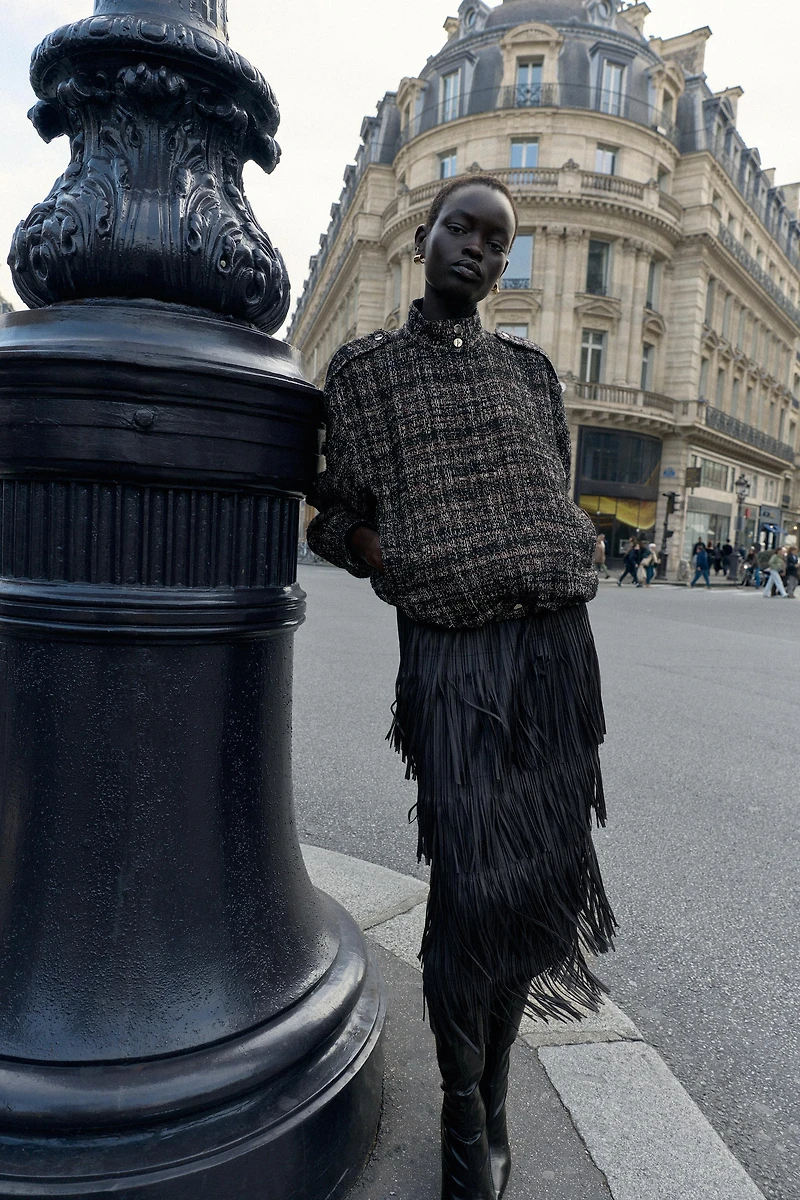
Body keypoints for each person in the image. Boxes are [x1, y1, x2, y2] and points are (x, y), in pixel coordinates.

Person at [306, 175, 616, 1200]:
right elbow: (332, 510)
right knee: (470, 884)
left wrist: (563, 542)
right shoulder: (365, 373)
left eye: (498, 241)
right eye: (462, 231)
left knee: (537, 880)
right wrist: (373, 550)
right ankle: (459, 1104)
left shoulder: (531, 371)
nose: (480, 252)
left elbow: (547, 487)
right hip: (450, 657)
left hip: (554, 649)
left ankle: (493, 1083)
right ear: (422, 240)